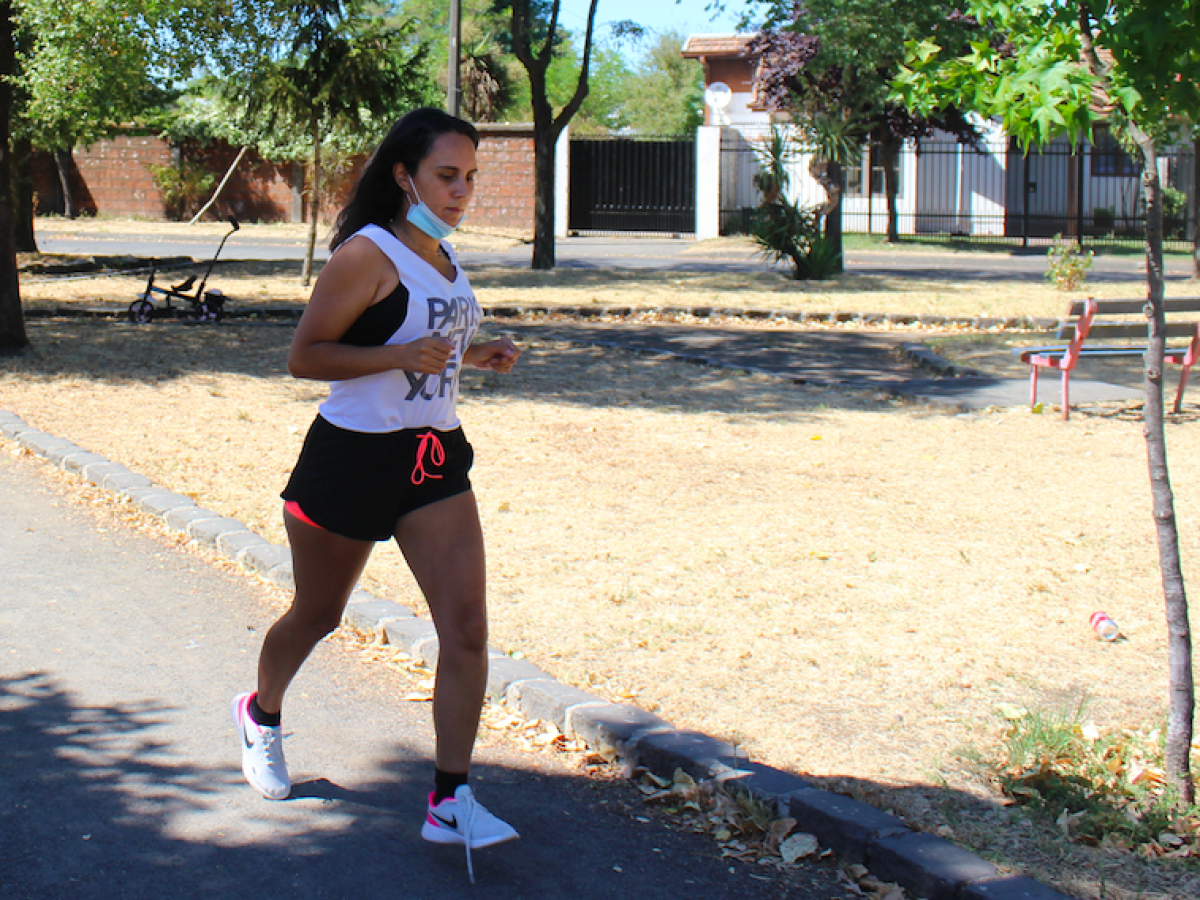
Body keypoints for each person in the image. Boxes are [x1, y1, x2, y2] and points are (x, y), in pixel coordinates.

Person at [230, 107, 521, 878]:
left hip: (431, 460)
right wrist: (397, 353)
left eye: (469, 178)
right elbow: (307, 356)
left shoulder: (446, 258)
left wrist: (474, 354)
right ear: (404, 175)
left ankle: (449, 799)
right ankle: (260, 715)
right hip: (351, 461)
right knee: (318, 613)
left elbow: (428, 354)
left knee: (465, 629)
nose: (460, 192)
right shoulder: (369, 254)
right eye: (445, 176)